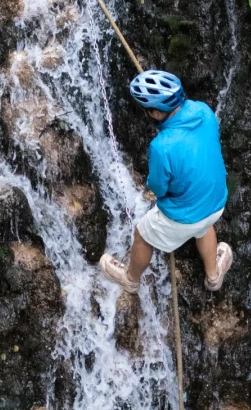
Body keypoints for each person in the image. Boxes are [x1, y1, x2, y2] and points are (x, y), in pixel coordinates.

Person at [99, 70, 233, 294]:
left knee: (142, 235)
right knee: (204, 227)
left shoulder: (162, 146)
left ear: (156, 113)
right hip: (216, 202)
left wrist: (154, 190)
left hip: (186, 217)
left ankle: (130, 279)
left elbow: (159, 188)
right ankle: (213, 276)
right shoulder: (203, 110)